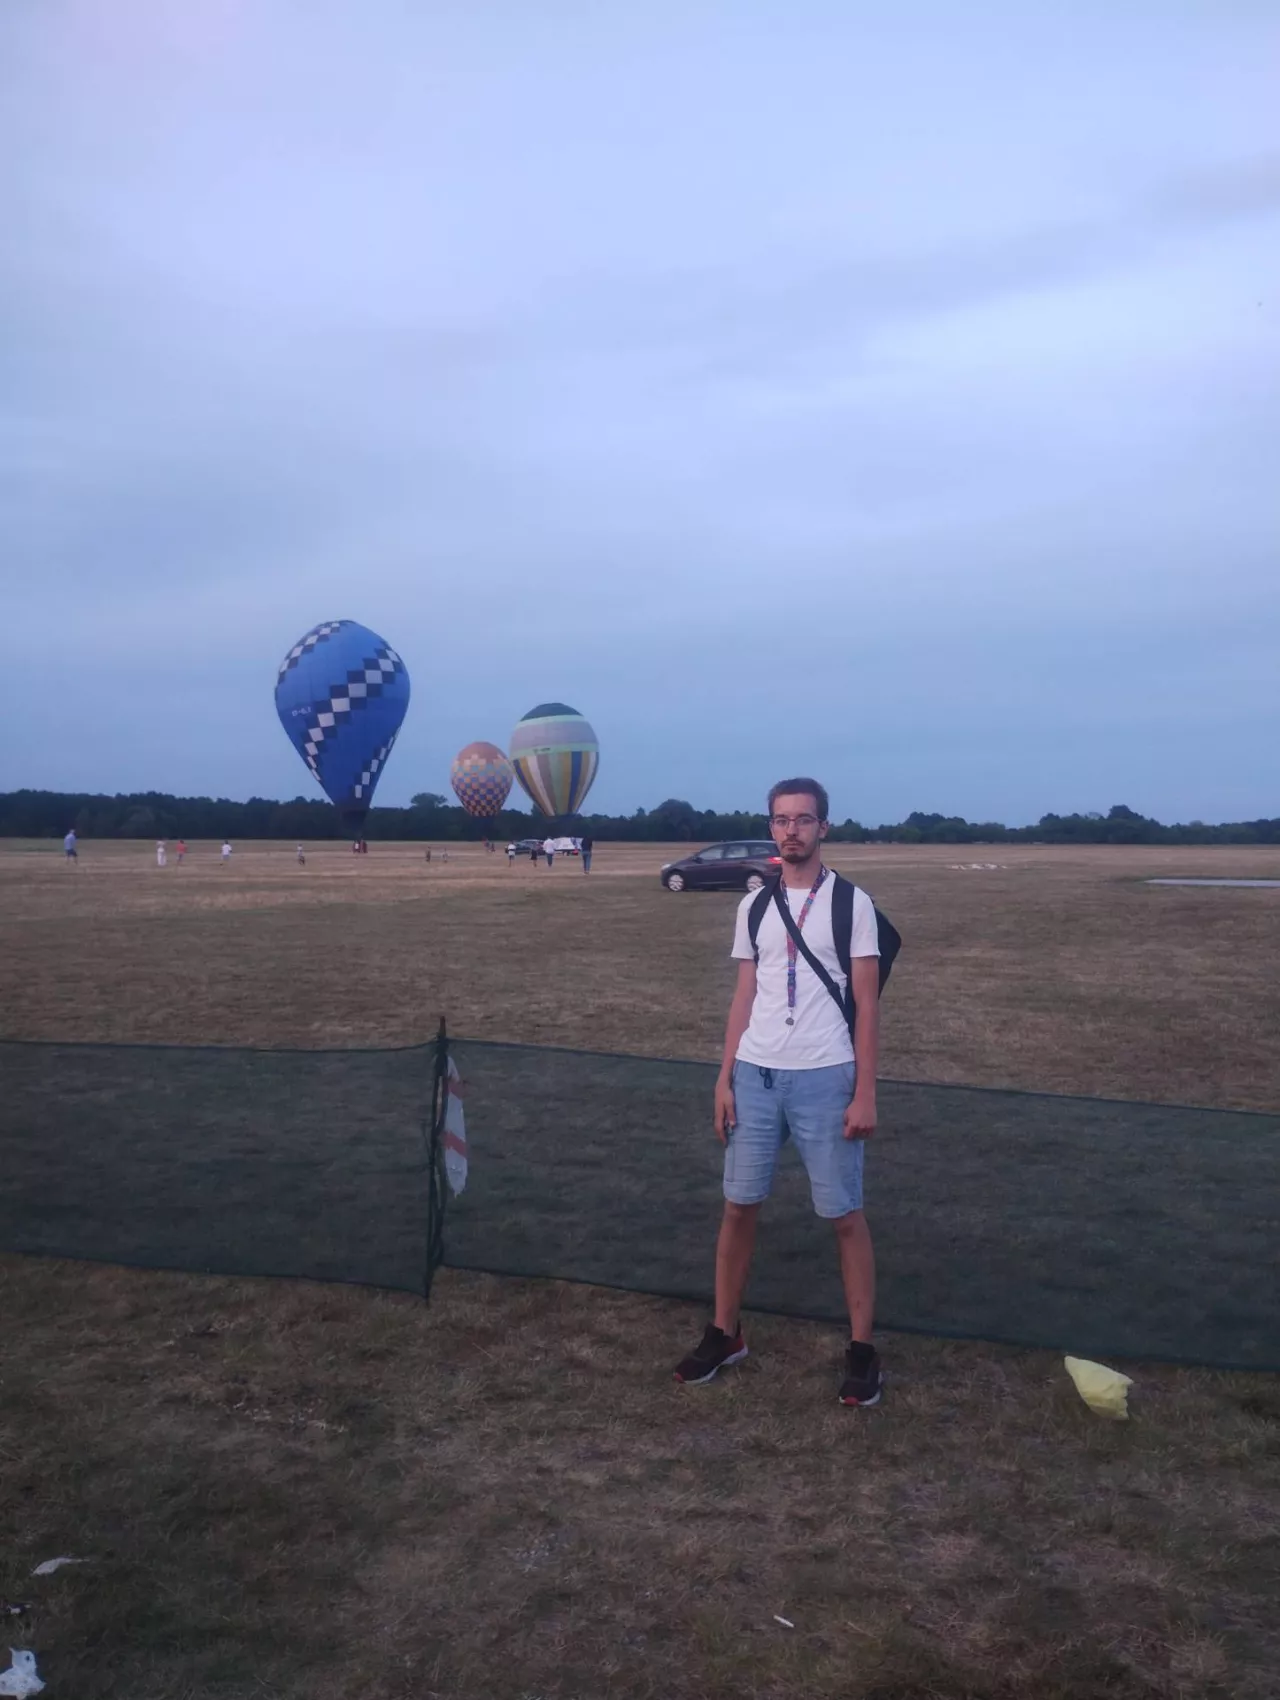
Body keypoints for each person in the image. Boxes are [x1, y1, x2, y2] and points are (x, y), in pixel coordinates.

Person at [673, 778, 884, 1407]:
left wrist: (865, 1092)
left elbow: (868, 1005)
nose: (792, 830)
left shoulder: (852, 904)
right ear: (771, 827)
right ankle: (725, 1333)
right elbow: (745, 995)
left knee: (844, 1215)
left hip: (826, 1076)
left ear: (824, 827)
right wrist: (724, 1077)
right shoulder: (754, 906)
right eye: (781, 820)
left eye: (803, 819)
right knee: (738, 1206)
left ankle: (863, 1351)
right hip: (755, 1076)